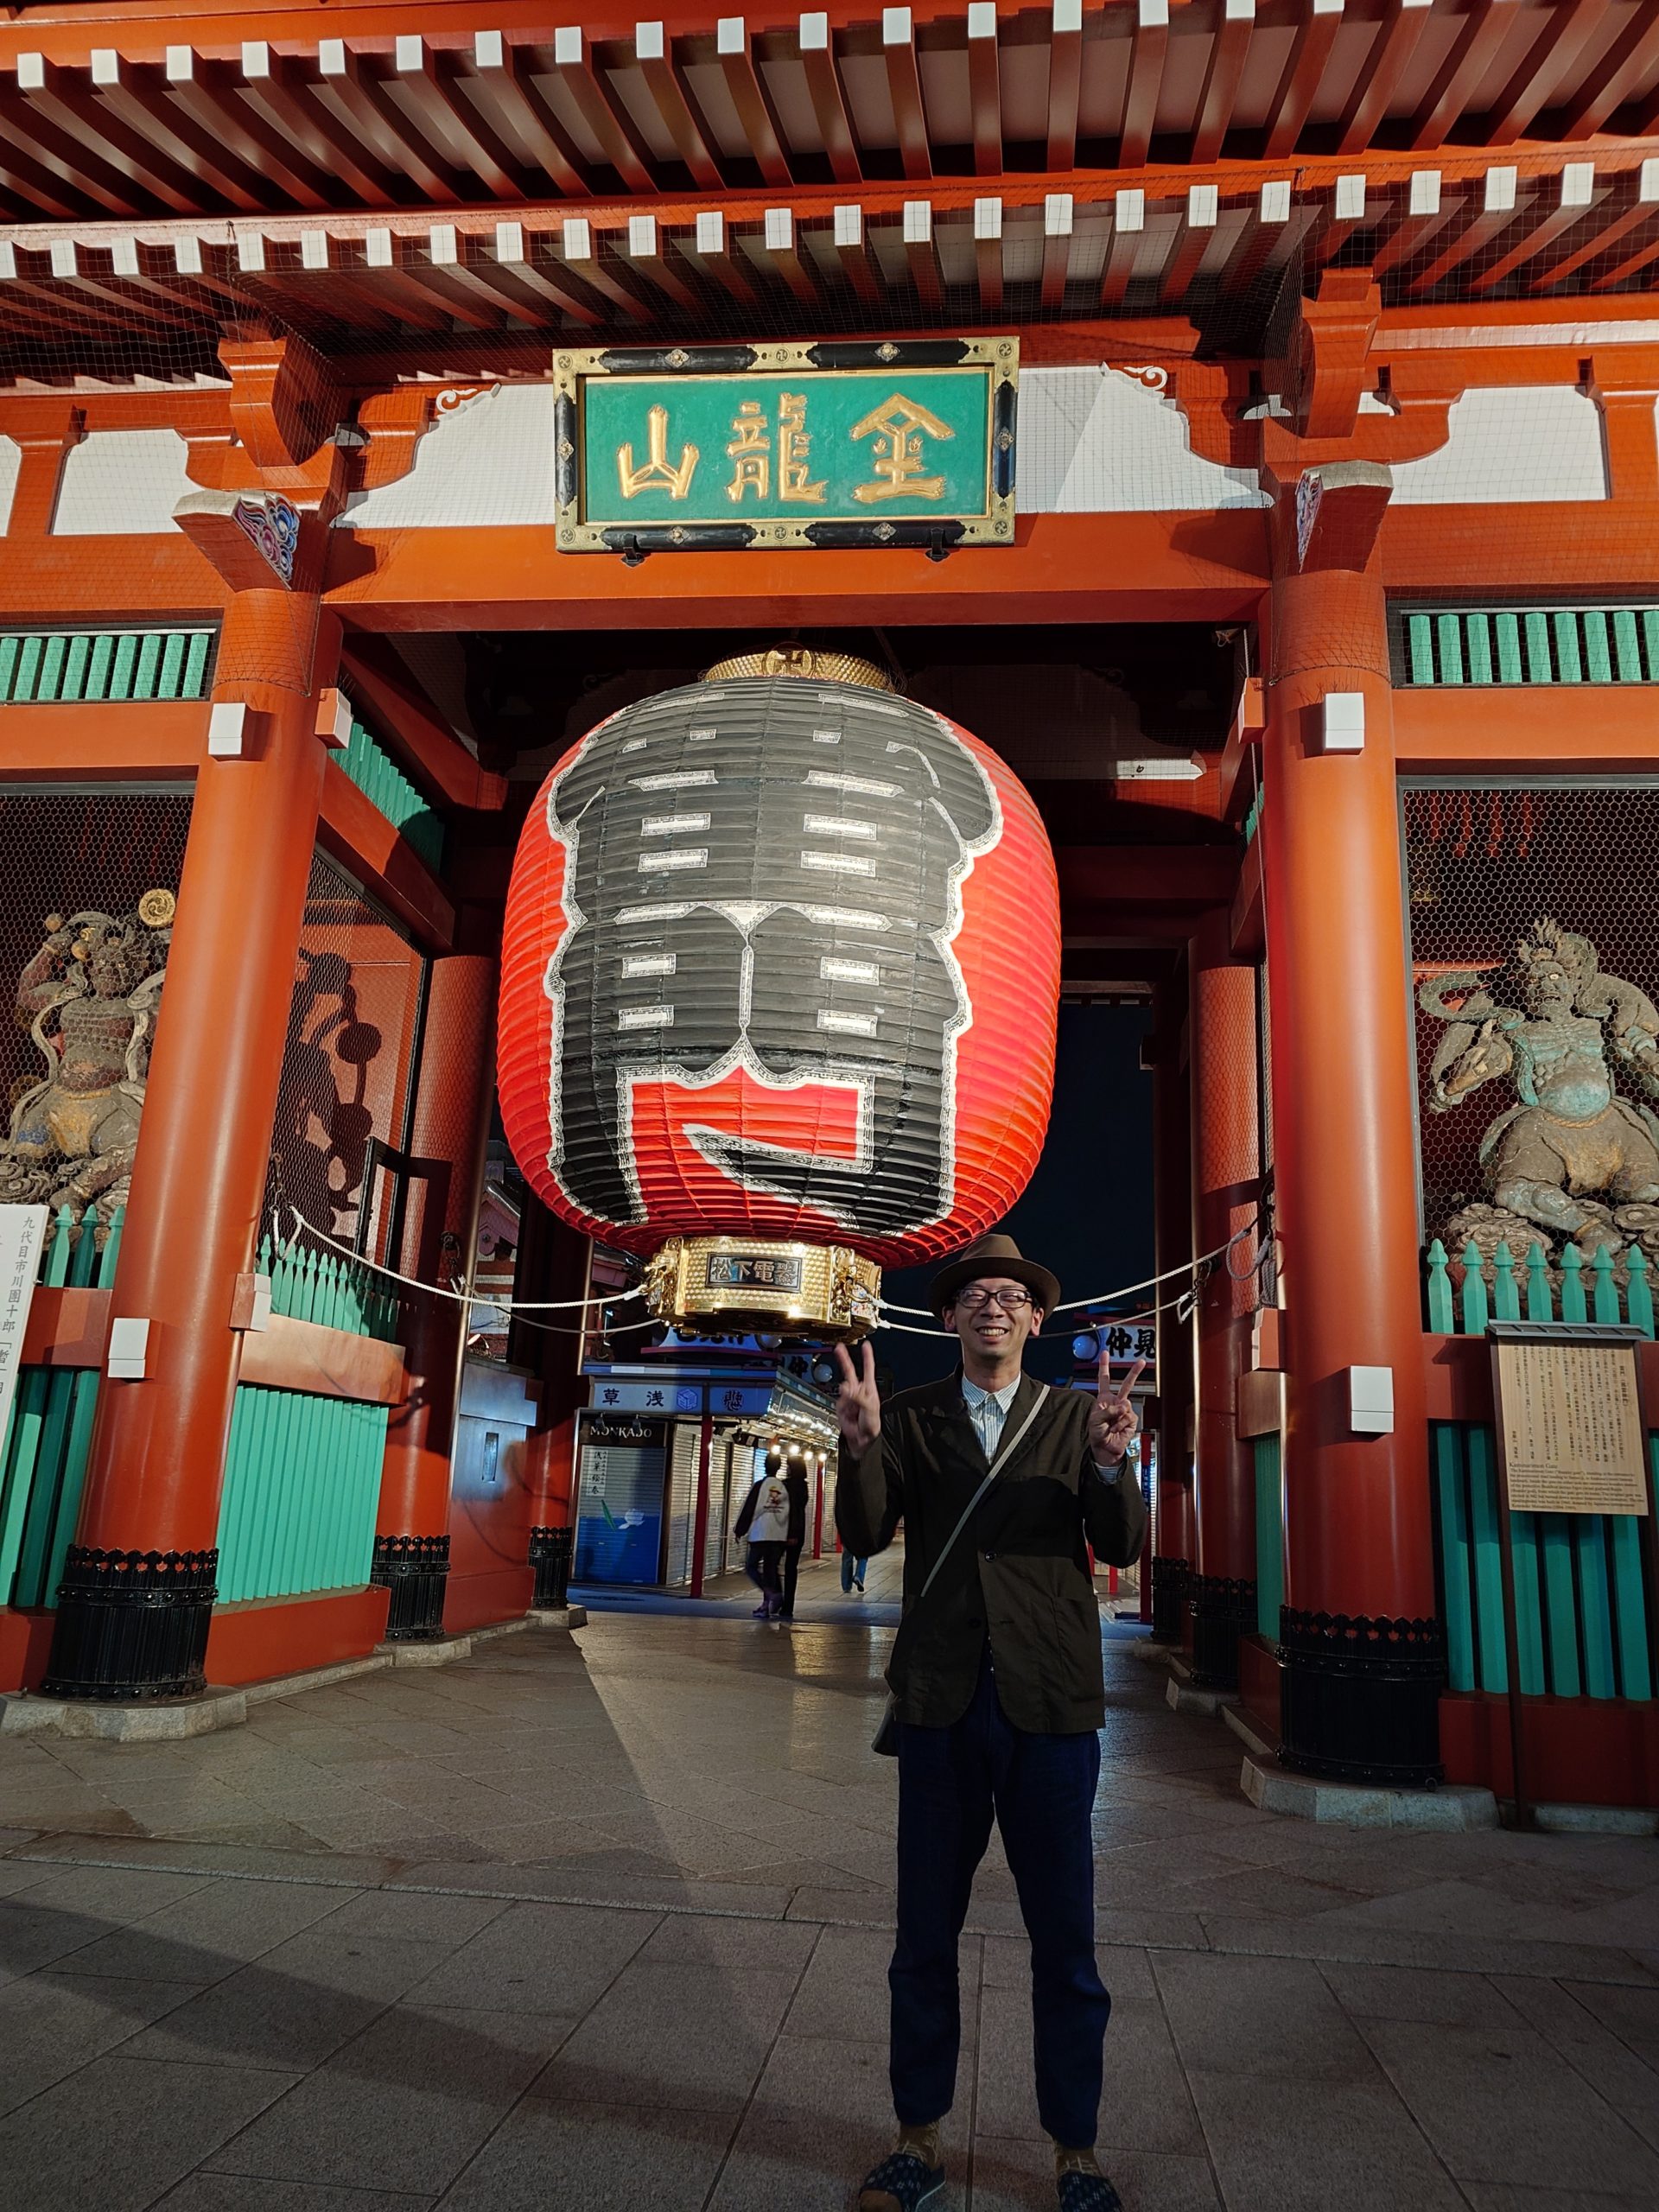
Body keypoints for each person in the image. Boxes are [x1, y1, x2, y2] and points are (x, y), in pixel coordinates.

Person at [835, 1230, 1147, 2212]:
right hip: (942, 1704)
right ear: (948, 1317)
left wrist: (1112, 1464)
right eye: (975, 1295)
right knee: (924, 1936)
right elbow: (862, 1532)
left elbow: (1121, 1547)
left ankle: (1076, 2151)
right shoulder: (911, 1416)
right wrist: (860, 1445)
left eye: (1012, 1295)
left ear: (1036, 1319)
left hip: (1049, 1703)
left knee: (1067, 1941)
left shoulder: (1075, 1418)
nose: (993, 1306)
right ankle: (917, 2139)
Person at [733, 1464, 791, 1619]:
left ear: (765, 1466)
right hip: (779, 1536)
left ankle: (771, 1594)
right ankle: (766, 1605)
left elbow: (749, 1509)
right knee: (771, 1570)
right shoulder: (783, 1487)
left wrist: (740, 1530)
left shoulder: (760, 1486)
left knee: (751, 1566)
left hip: (760, 1534)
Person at [777, 1450, 812, 1623]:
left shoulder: (786, 1486)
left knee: (773, 1565)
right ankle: (788, 1607)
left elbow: (790, 1512)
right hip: (799, 1533)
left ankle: (776, 1600)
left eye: (788, 1466)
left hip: (785, 1532)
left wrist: (790, 1533)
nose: (787, 1469)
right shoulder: (804, 1487)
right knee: (791, 1569)